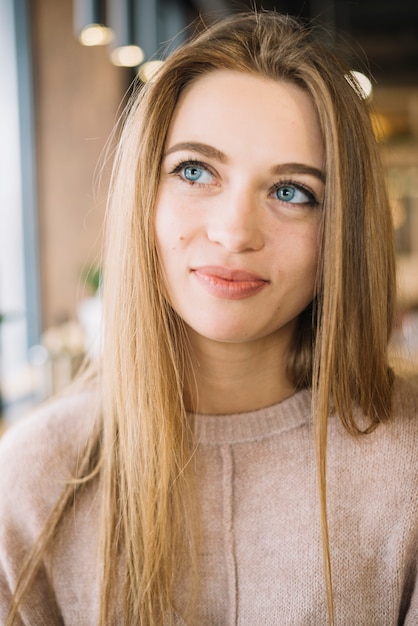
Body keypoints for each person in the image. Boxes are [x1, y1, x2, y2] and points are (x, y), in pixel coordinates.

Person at [0, 10, 417, 626]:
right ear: (143, 195)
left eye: (291, 192)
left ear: (343, 234)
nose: (234, 232)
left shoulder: (407, 464)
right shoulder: (33, 482)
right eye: (194, 171)